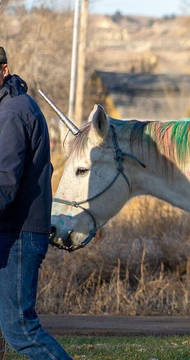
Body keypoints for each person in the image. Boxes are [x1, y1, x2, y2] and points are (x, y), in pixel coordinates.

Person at [0, 46, 73, 359]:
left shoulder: (13, 112)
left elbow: (5, 182)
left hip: (17, 234)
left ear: (3, 70)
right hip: (13, 231)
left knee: (20, 328)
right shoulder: (11, 108)